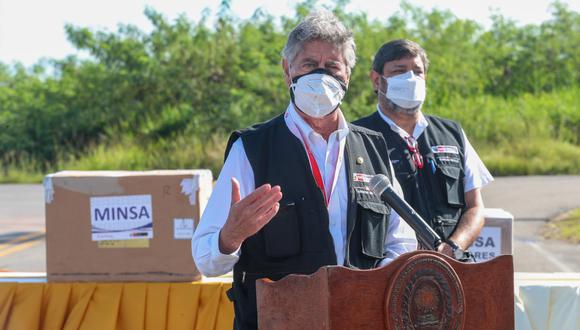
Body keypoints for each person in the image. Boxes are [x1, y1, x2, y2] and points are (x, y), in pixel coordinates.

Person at [191, 12, 417, 329]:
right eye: (309, 65)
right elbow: (204, 258)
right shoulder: (252, 149)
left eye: (332, 66)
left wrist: (376, 284)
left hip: (359, 321)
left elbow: (402, 242)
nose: (321, 75)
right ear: (288, 71)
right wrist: (230, 237)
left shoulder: (375, 149)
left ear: (348, 75)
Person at [354, 39, 493, 260]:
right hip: (386, 273)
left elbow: (475, 208)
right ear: (376, 80)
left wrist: (452, 248)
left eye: (417, 71)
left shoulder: (452, 133)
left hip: (452, 266)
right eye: (399, 71)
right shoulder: (356, 137)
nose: (410, 79)